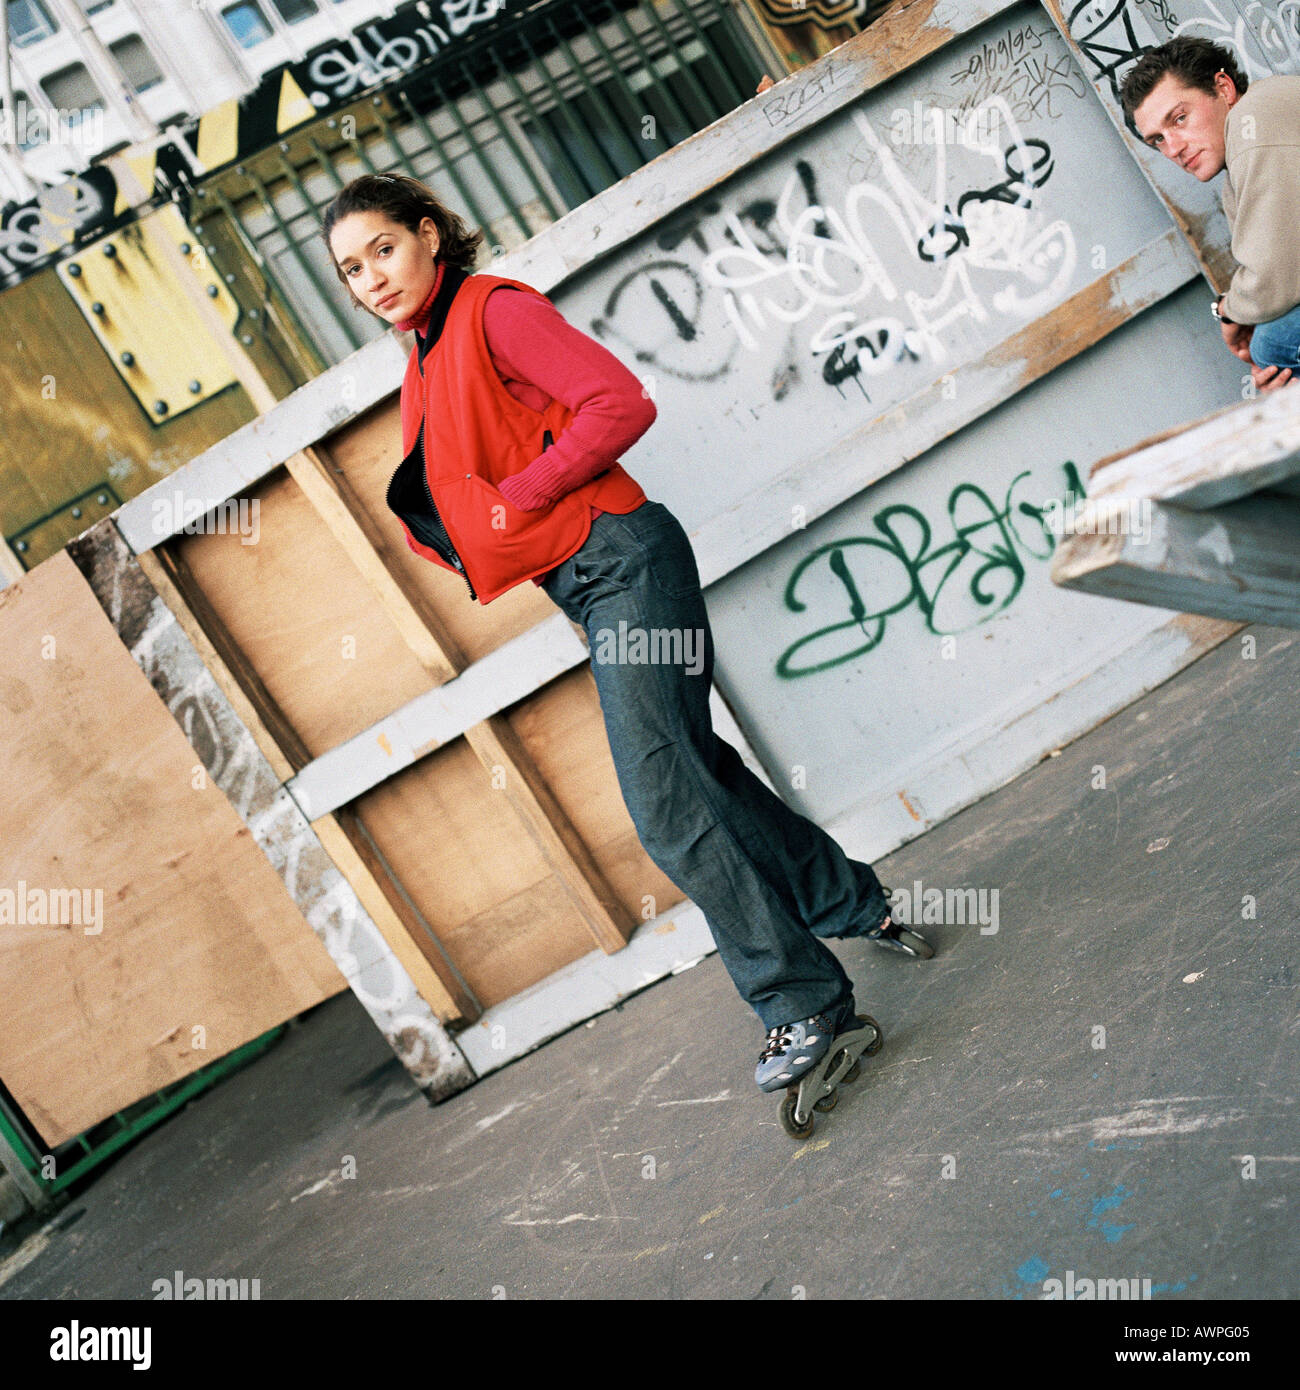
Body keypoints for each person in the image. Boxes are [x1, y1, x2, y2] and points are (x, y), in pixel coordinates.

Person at [321, 173, 933, 1100]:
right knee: (698, 773)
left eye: (383, 249)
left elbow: (619, 402)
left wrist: (524, 492)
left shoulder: (491, 312)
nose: (371, 276)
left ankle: (800, 1001)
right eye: (350, 270)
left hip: (624, 561)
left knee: (666, 808)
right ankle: (857, 903)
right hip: (589, 578)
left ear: (430, 236)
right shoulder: (426, 352)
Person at [1122, 37, 1300, 392]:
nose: (1173, 148)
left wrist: (1230, 312)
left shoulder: (1255, 119)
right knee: (1274, 357)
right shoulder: (1237, 171)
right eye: (1157, 139)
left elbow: (1277, 271)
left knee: (1272, 346)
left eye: (1180, 118)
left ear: (1223, 88)